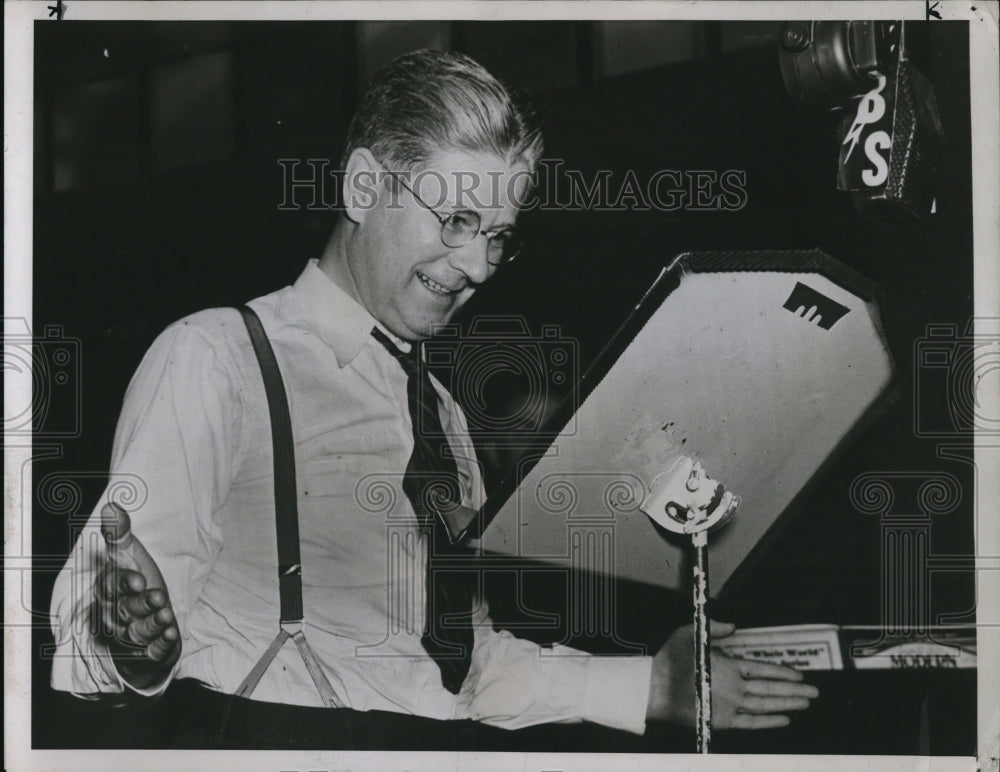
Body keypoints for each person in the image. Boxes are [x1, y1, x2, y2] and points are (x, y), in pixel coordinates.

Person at [49, 49, 818, 749]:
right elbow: (96, 627)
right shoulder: (219, 355)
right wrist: (128, 640)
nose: (478, 264)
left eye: (498, 235)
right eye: (455, 220)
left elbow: (459, 668)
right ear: (362, 186)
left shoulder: (442, 416)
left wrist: (648, 684)